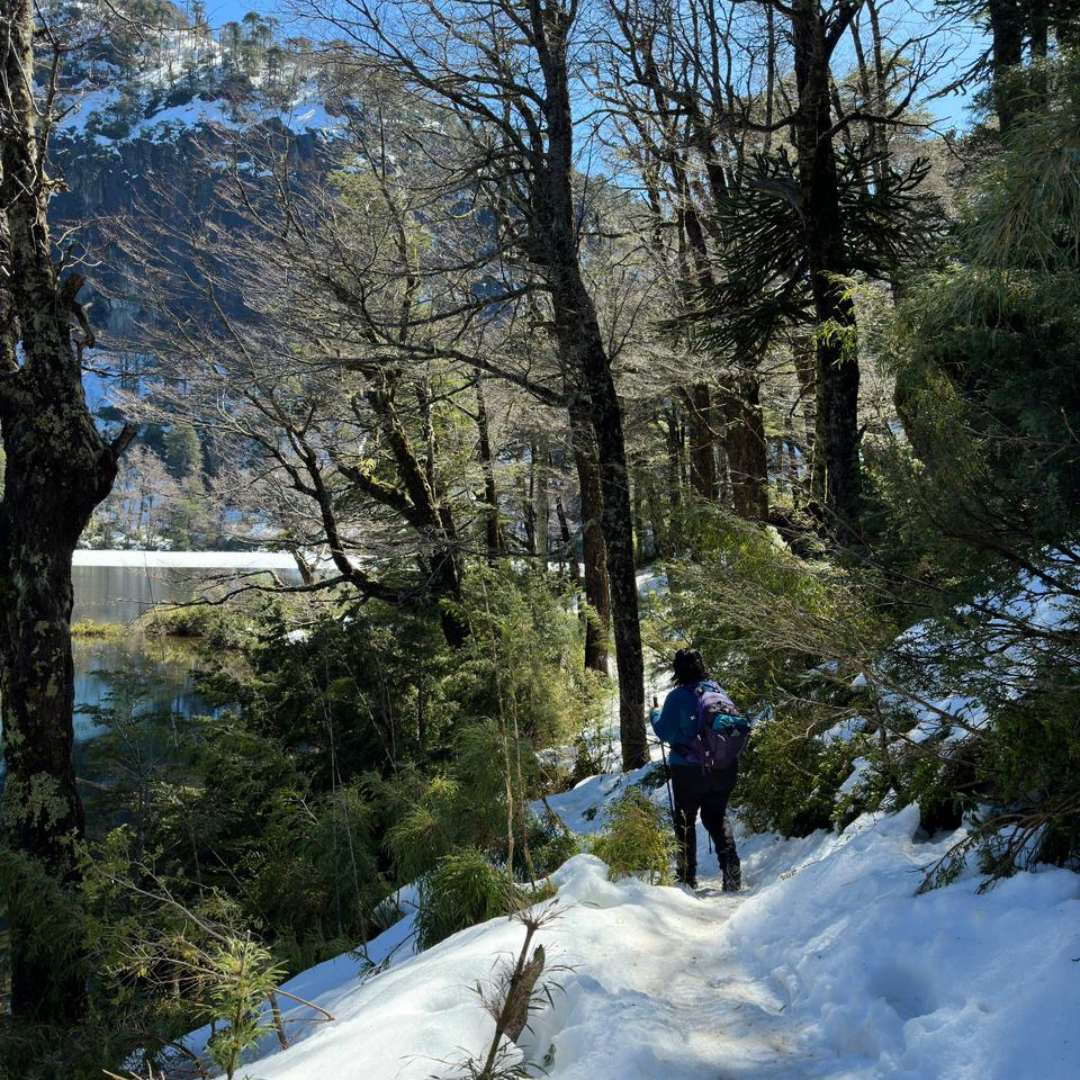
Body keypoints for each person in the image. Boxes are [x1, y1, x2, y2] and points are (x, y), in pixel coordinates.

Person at [650, 648, 741, 892]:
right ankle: (731, 871)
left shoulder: (677, 697)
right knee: (716, 816)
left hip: (688, 771)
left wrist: (654, 715)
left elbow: (664, 731)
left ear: (677, 670)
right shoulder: (716, 690)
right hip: (723, 767)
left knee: (685, 821)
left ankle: (687, 878)